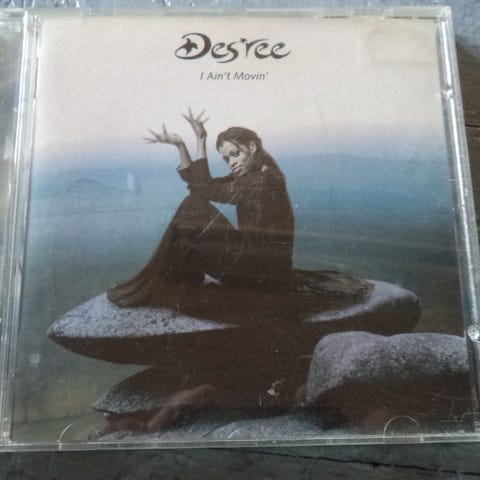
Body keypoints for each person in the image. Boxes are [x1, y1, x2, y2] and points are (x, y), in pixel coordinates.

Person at [107, 109, 295, 309]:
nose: (232, 163)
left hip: (260, 277)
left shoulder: (264, 181)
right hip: (255, 266)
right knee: (193, 205)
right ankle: (172, 280)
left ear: (252, 146)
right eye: (227, 159)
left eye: (235, 154)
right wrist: (180, 145)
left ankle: (165, 281)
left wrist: (200, 140)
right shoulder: (254, 174)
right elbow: (202, 185)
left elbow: (203, 189)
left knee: (193, 205)